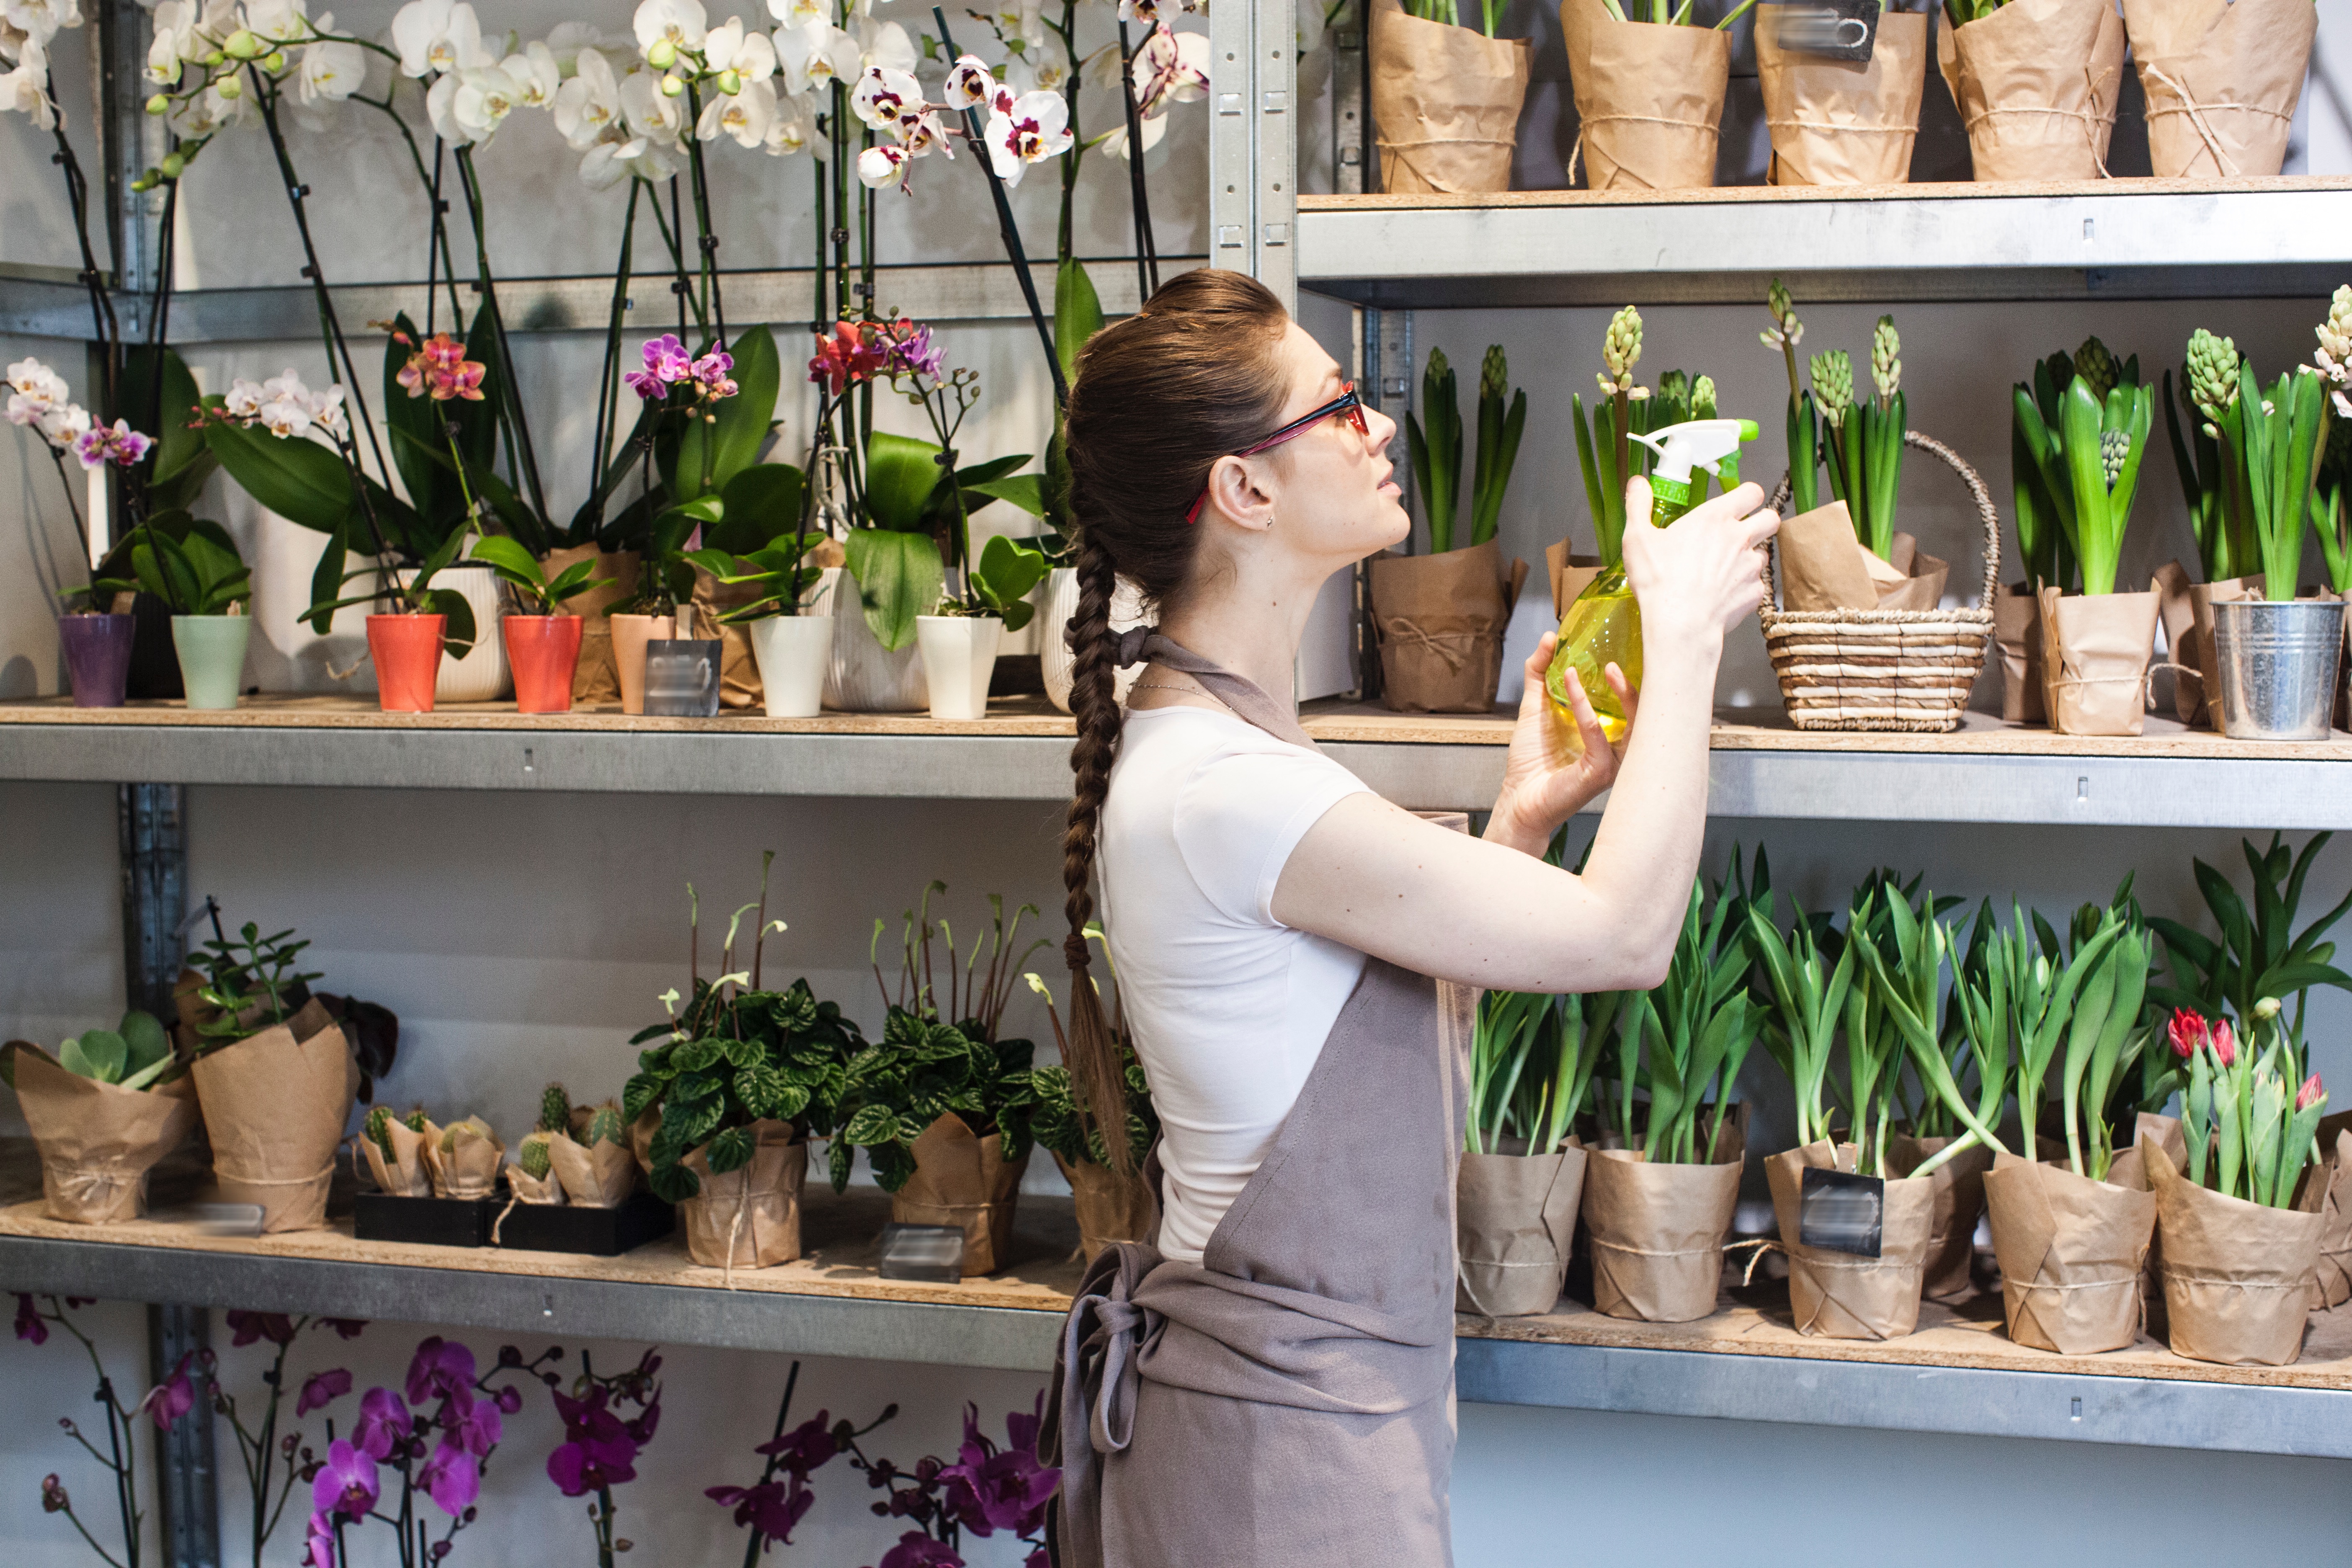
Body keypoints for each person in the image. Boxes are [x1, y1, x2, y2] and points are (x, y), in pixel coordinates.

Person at [1039, 270, 1777, 1568]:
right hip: (1273, 1459)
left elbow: (1346, 1054)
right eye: (1335, 408)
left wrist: (1522, 825)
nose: (1378, 425)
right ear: (1245, 492)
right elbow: (1626, 937)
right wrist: (1686, 633)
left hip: (1304, 1422)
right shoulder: (1224, 789)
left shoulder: (1226, 754)